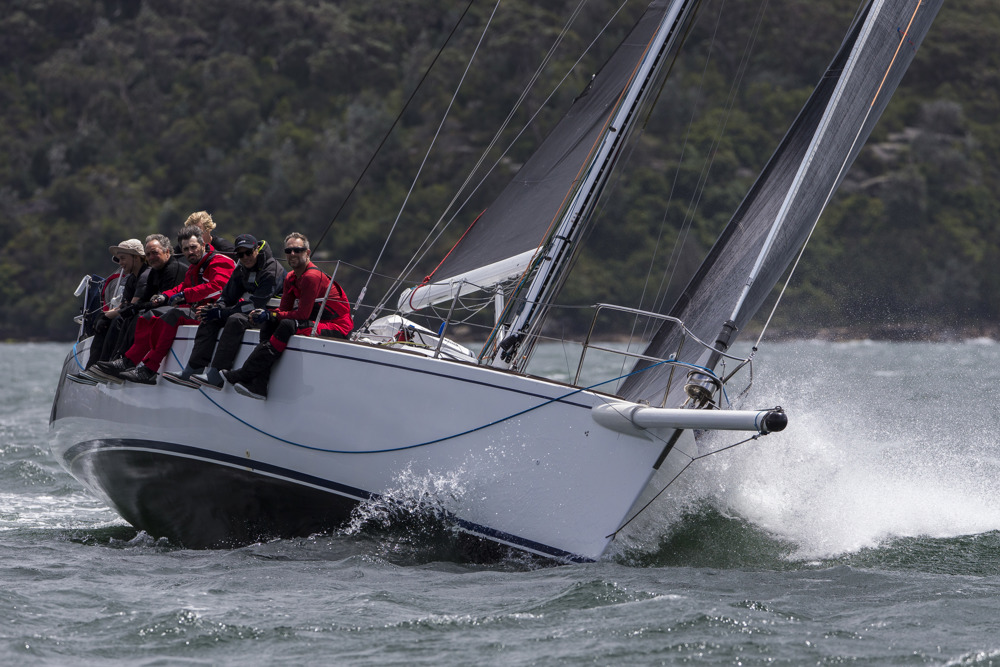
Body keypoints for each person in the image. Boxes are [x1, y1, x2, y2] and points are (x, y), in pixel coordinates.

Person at [91, 226, 235, 384]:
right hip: (200, 311)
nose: (190, 252)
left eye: (193, 247)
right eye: (186, 249)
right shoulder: (194, 267)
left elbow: (218, 287)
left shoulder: (219, 261)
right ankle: (128, 361)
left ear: (202, 245)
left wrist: (183, 295)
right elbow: (183, 287)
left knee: (169, 316)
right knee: (148, 316)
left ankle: (149, 369)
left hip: (217, 313)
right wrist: (165, 296)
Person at [222, 232, 352, 400]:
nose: (292, 254)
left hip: (337, 326)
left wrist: (271, 315)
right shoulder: (290, 277)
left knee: (287, 325)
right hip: (315, 321)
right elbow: (283, 311)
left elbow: (302, 314)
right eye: (288, 250)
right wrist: (269, 316)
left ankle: (244, 373)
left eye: (298, 250)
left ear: (307, 253)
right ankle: (259, 385)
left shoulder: (311, 277)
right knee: (271, 323)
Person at [162, 234, 285, 389]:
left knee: (235, 320)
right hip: (253, 309)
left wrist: (222, 313)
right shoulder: (241, 267)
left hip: (269, 314)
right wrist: (217, 307)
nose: (245, 257)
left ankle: (216, 374)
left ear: (256, 250)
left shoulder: (271, 270)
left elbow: (253, 305)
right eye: (240, 254)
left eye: (248, 252)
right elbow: (228, 296)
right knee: (209, 315)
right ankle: (193, 368)